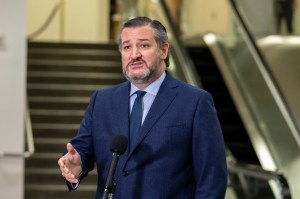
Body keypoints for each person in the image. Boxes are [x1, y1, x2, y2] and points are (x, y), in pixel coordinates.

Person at [58, 16, 227, 199]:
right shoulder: (102, 101)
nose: (134, 54)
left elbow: (212, 179)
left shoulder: (195, 102)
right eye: (127, 47)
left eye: (144, 45)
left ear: (163, 50)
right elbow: (83, 148)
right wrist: (77, 164)